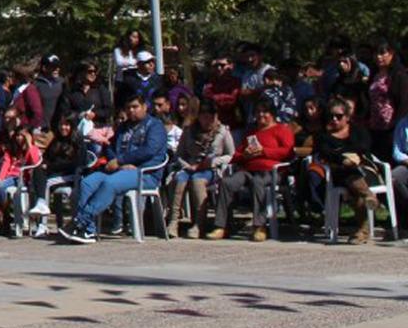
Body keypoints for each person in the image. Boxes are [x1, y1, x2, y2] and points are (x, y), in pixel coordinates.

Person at [59, 94, 167, 244]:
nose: (131, 111)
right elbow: (109, 146)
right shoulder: (123, 127)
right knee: (87, 183)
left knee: (110, 184)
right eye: (128, 108)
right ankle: (88, 231)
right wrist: (117, 162)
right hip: (120, 170)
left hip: (145, 173)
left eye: (135, 107)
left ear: (144, 107)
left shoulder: (155, 126)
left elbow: (149, 150)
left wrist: (121, 160)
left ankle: (80, 221)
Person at [207, 101, 295, 242]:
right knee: (226, 183)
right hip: (248, 169)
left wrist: (264, 151)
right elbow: (236, 156)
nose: (261, 115)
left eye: (264, 112)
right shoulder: (252, 132)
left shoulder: (282, 130)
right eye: (258, 112)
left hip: (271, 172)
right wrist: (244, 155)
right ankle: (221, 226)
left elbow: (288, 152)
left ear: (272, 114)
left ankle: (259, 226)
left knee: (258, 182)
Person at [306, 98, 378, 244]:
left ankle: (362, 230)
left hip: (364, 169)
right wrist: (342, 159)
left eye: (338, 116)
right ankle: (369, 199)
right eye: (331, 116)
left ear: (347, 117)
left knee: (355, 186)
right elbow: (326, 152)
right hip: (340, 173)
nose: (334, 119)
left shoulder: (358, 131)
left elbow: (364, 146)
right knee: (351, 180)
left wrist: (347, 155)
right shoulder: (323, 136)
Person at [167, 98, 235, 239]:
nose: (207, 121)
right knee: (179, 180)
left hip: (210, 169)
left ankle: (199, 224)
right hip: (190, 166)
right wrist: (187, 166)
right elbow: (179, 154)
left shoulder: (222, 131)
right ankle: (173, 222)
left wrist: (214, 162)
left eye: (210, 117)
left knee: (198, 181)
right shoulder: (189, 131)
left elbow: (231, 155)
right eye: (203, 117)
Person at [366, 39, 408, 161]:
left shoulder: (399, 75)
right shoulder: (374, 74)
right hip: (375, 125)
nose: (379, 57)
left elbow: (404, 102)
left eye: (382, 53)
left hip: (392, 126)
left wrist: (398, 125)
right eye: (376, 54)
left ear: (391, 54)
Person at [65, 62, 112, 129]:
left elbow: (109, 110)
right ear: (81, 72)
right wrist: (79, 115)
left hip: (98, 129)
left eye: (95, 71)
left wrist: (95, 114)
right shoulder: (73, 91)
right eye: (90, 71)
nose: (93, 74)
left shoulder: (101, 89)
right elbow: (66, 111)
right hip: (78, 130)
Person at [33, 56, 65, 129]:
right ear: (44, 68)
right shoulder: (36, 85)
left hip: (59, 128)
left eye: (58, 66)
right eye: (53, 66)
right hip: (41, 127)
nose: (57, 69)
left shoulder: (63, 83)